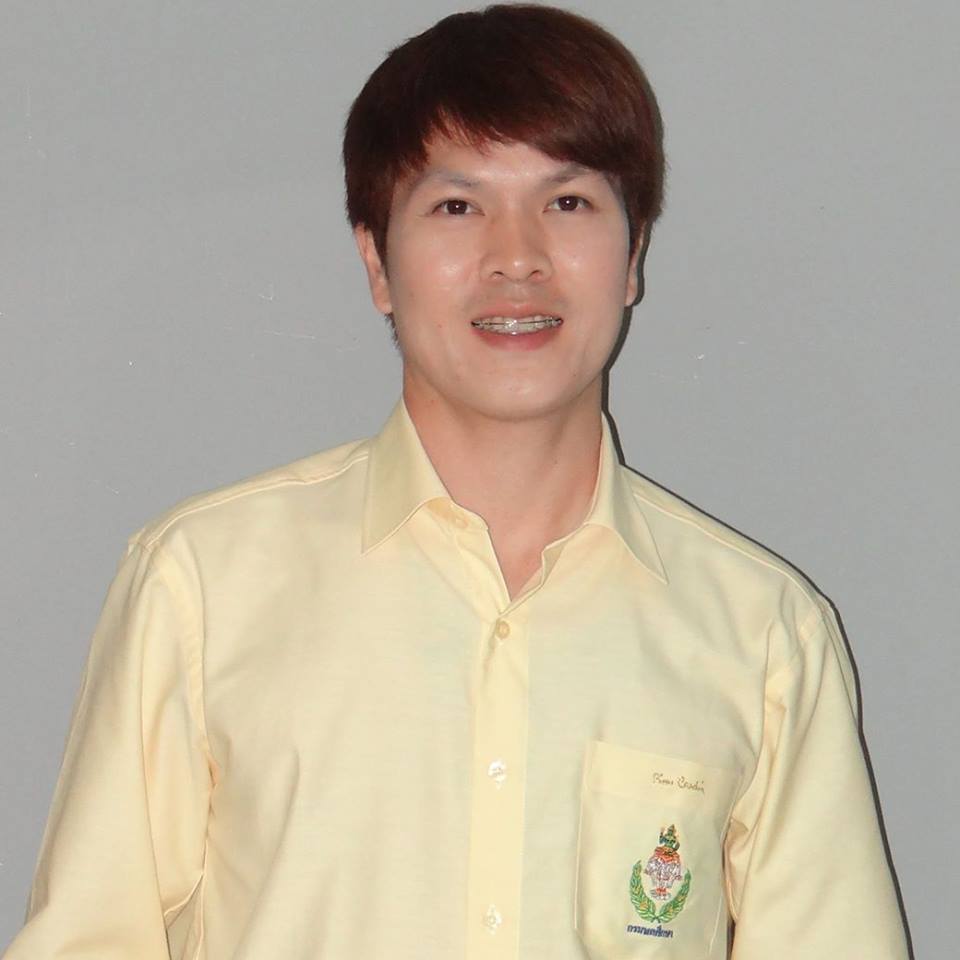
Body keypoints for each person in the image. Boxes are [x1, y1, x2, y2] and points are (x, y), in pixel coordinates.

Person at [3, 5, 909, 959]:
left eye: (568, 203)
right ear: (376, 263)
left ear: (633, 255)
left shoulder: (764, 634)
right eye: (457, 206)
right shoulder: (203, 585)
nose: (516, 258)